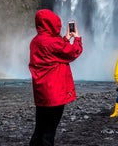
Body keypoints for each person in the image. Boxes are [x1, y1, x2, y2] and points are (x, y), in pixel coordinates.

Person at [28, 9, 83, 146]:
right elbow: (72, 52)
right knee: (49, 132)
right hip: (54, 94)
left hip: (42, 94)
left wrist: (64, 39)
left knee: (39, 129)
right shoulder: (52, 43)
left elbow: (54, 52)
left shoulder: (36, 41)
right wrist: (76, 38)